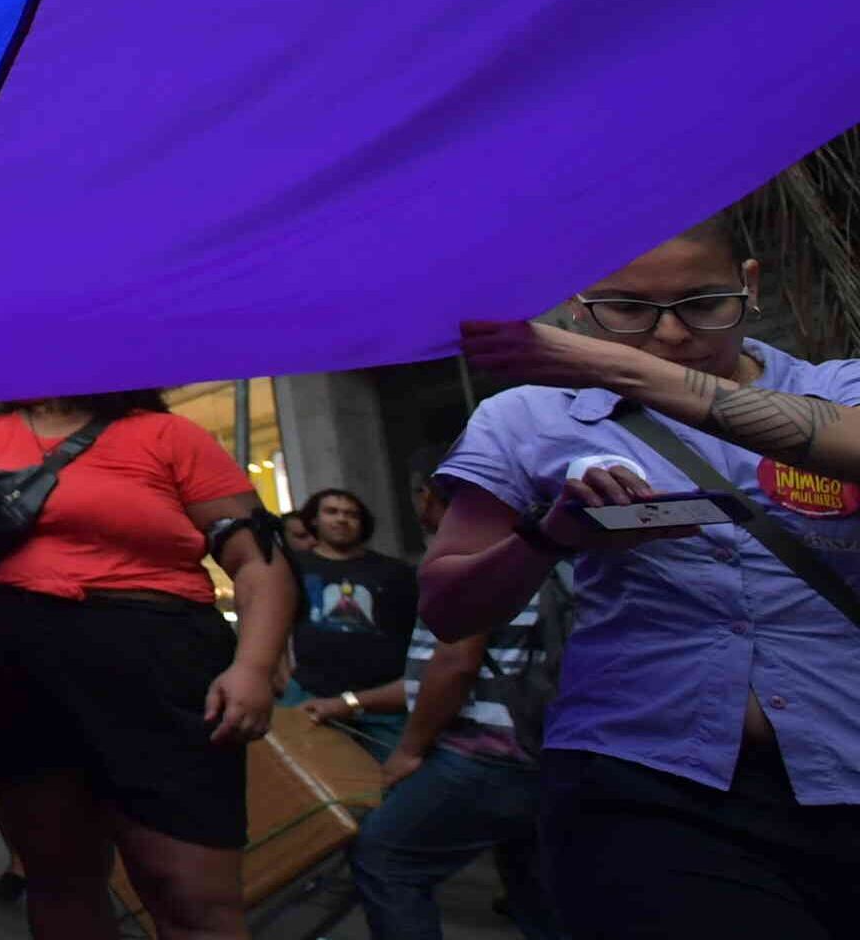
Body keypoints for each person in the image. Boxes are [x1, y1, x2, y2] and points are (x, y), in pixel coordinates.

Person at [425, 217, 860, 940]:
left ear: (749, 286)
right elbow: (447, 606)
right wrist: (549, 534)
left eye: (703, 303)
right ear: (578, 304)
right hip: (642, 780)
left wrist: (614, 365)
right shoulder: (522, 418)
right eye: (628, 309)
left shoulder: (838, 389)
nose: (670, 335)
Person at [0, 391, 291, 940]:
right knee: (59, 879)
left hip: (158, 670)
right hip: (10, 673)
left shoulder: (170, 436)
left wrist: (254, 667)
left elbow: (258, 559)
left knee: (191, 891)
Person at [348, 454, 561, 940]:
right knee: (534, 888)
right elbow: (438, 674)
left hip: (482, 757)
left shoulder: (468, 553)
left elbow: (456, 664)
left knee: (385, 860)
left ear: (433, 497)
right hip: (532, 751)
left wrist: (408, 750)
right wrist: (349, 702)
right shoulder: (526, 549)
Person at [286, 485, 417, 760]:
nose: (341, 519)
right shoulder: (293, 568)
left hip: (383, 702)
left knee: (395, 783)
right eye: (331, 512)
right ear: (314, 519)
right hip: (310, 693)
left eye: (351, 514)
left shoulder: (395, 572)